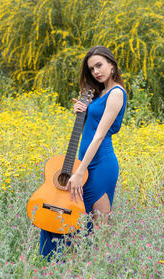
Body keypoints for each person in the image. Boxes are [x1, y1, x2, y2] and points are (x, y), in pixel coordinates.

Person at [40, 45, 127, 260]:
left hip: (100, 165)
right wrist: (84, 110)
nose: (96, 71)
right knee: (70, 216)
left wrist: (79, 171)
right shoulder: (101, 93)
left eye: (99, 65)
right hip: (84, 163)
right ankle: (64, 266)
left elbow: (98, 136)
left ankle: (101, 277)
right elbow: (90, 125)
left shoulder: (116, 93)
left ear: (112, 65)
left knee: (99, 228)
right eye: (91, 69)